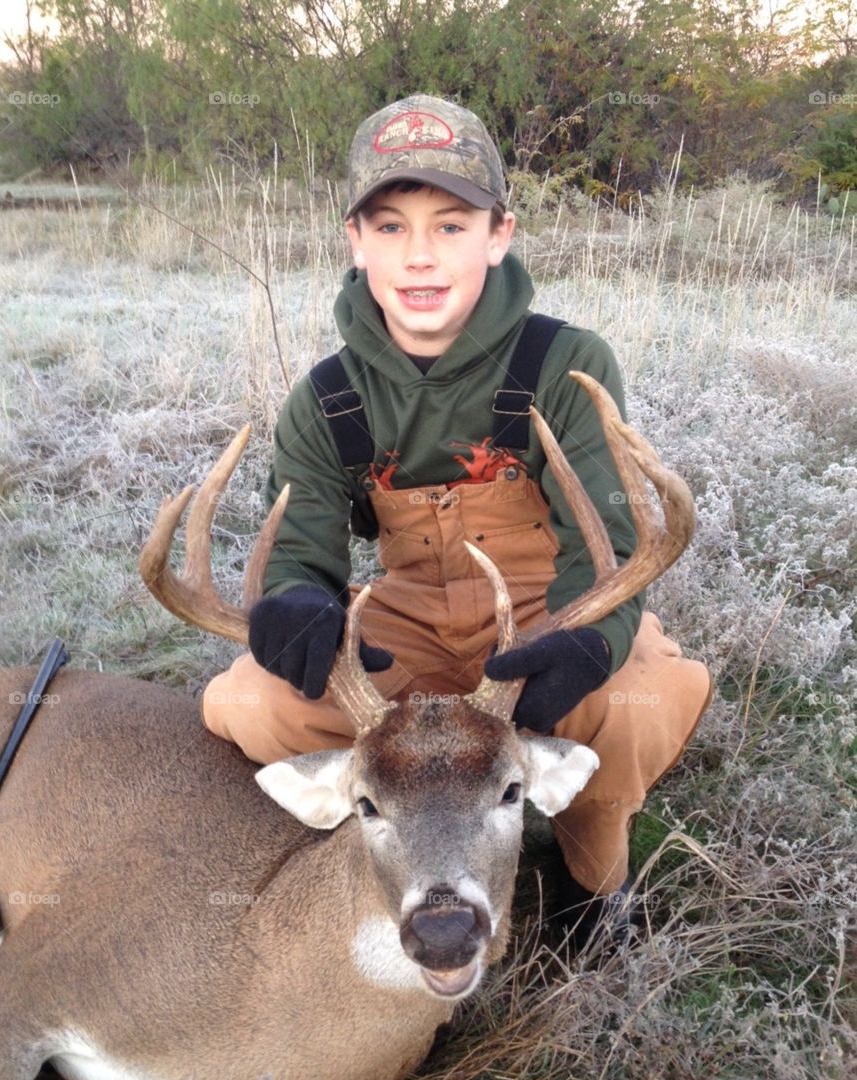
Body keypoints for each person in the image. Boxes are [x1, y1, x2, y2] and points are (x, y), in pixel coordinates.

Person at [202, 94, 712, 947]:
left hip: (542, 612)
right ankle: (401, 855)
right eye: (391, 227)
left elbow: (615, 545)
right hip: (403, 625)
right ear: (354, 243)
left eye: (450, 225)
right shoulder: (326, 398)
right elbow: (301, 549)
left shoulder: (566, 364)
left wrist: (587, 641)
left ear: (499, 234)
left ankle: (595, 886)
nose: (420, 256)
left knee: (631, 700)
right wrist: (295, 606)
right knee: (254, 702)